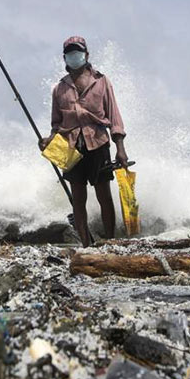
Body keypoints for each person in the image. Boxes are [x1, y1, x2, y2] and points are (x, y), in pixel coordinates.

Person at [39, 36, 130, 247]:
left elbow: (114, 117)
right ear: (65, 58)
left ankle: (110, 242)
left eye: (77, 52)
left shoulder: (101, 81)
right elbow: (56, 124)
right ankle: (86, 245)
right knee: (78, 199)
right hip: (71, 148)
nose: (74, 56)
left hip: (98, 143)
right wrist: (48, 141)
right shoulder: (59, 89)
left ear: (86, 55)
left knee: (104, 195)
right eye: (70, 53)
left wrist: (121, 148)